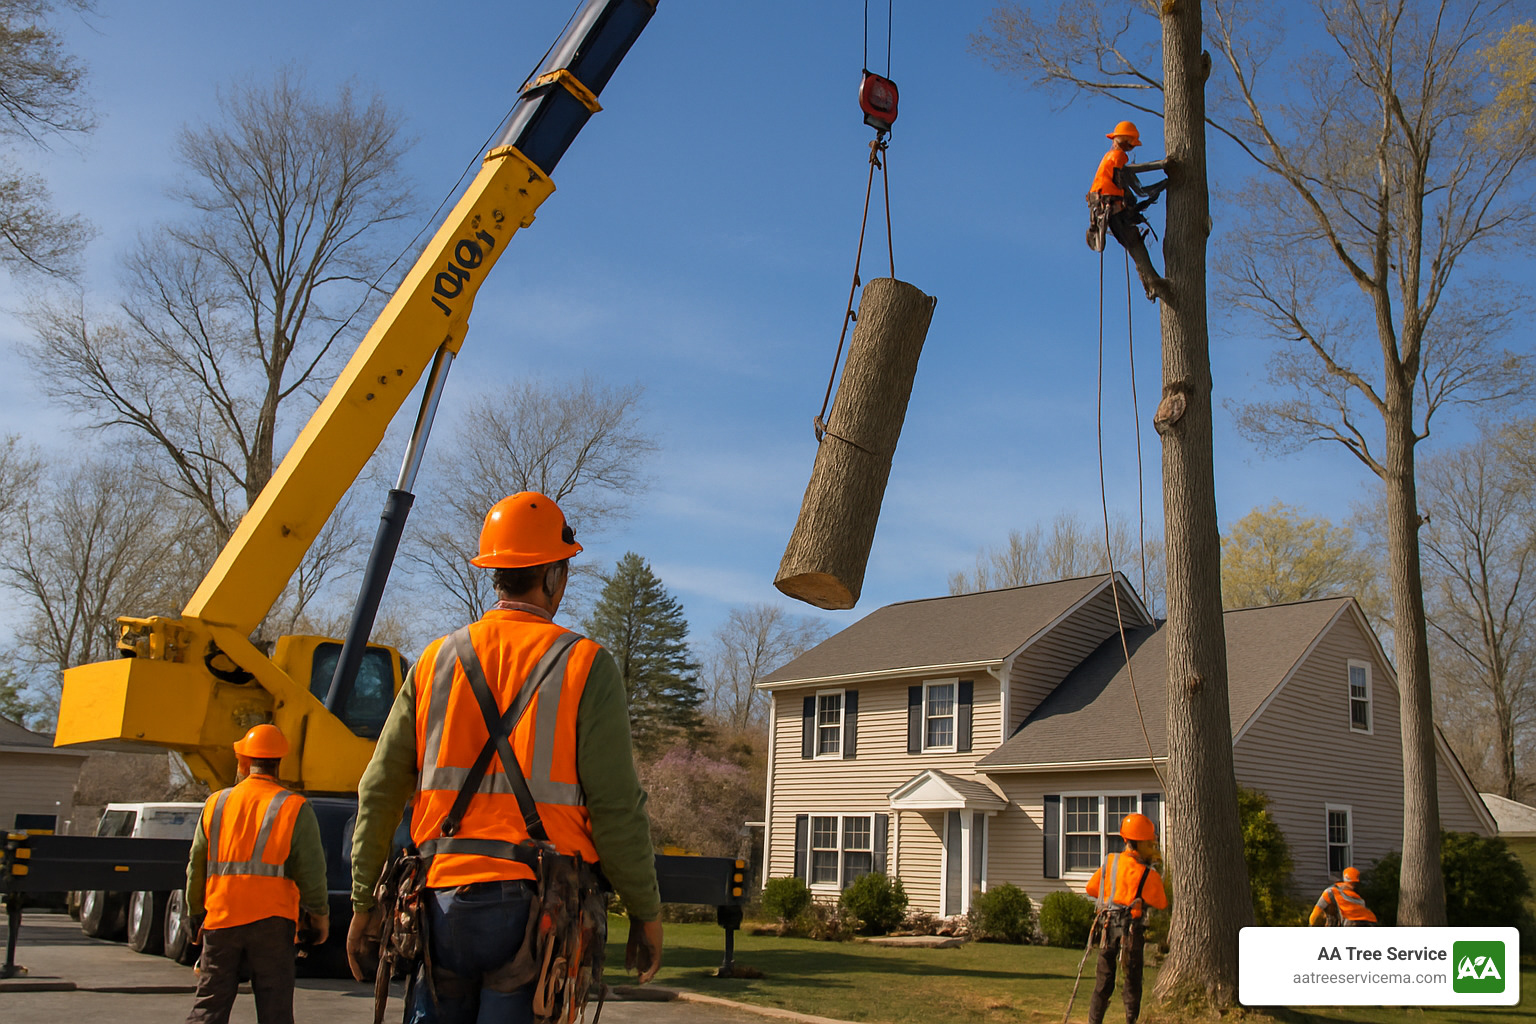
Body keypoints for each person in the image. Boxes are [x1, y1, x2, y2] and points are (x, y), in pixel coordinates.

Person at [347, 490, 663, 1023]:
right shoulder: (586, 665)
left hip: (438, 903)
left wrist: (362, 902)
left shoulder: (433, 662)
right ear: (555, 576)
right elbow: (615, 808)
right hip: (537, 909)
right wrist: (645, 912)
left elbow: (378, 789)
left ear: (493, 573)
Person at [185, 723, 330, 1024]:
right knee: (275, 1009)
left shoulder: (216, 803)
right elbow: (311, 870)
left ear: (244, 761)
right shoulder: (294, 806)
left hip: (221, 920)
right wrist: (319, 915)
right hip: (273, 924)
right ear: (279, 762)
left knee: (209, 1007)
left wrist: (195, 912)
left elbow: (196, 864)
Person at [1084, 812, 1168, 1024]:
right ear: (1139, 843)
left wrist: (1114, 893)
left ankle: (1094, 1021)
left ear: (1125, 839)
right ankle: (1131, 1020)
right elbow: (1161, 902)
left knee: (1103, 981)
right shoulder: (1148, 874)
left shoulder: (1110, 864)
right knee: (1132, 981)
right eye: (1149, 843)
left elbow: (1092, 888)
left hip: (1107, 927)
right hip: (1131, 930)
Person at [1087, 120, 1173, 303]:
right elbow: (1128, 174)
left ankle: (1151, 281)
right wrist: (1162, 165)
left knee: (1132, 242)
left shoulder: (1109, 157)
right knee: (1134, 242)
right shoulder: (1117, 156)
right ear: (1126, 141)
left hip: (1106, 207)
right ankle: (1153, 282)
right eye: (1132, 143)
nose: (1132, 148)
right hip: (1111, 207)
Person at [1310, 866, 1377, 926]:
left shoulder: (1330, 892)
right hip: (1371, 921)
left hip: (1352, 923)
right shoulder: (1359, 899)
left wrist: (1311, 925)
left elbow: (1315, 914)